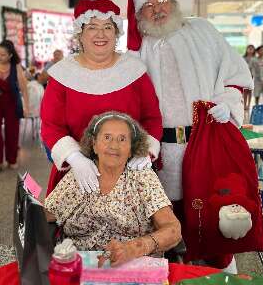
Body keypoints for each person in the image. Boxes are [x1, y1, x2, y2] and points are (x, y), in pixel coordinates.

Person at [127, 0, 254, 272]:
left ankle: (218, 273)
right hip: (163, 151)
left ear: (174, 3)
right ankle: (178, 272)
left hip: (206, 141)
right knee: (169, 219)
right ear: (138, 15)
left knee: (213, 216)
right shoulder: (138, 50)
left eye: (162, 1)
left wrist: (226, 101)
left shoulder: (203, 31)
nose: (157, 9)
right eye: (147, 5)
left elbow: (236, 72)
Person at [40, 0, 162, 196]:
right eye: (92, 27)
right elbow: (51, 126)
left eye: (107, 27)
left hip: (130, 171)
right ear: (80, 34)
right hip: (78, 173)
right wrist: (75, 158)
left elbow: (152, 118)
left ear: (116, 33)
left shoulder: (134, 71)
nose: (101, 34)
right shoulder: (62, 74)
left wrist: (145, 150)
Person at [45, 112, 181, 267]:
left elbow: (173, 230)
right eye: (107, 137)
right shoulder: (80, 174)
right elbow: (49, 213)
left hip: (132, 266)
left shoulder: (141, 177)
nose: (114, 145)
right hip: (80, 266)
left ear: (131, 149)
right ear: (94, 145)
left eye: (122, 139)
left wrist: (134, 248)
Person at [0, 40, 30, 174]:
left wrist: (26, 107)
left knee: (12, 132)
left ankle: (12, 159)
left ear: (10, 55)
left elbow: (24, 88)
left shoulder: (16, 66)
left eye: (3, 54)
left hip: (11, 103)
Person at [243, 44, 255, 110]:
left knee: (250, 91)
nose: (250, 50)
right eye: (249, 49)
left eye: (252, 49)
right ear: (247, 50)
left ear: (254, 50)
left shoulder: (255, 58)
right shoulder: (243, 58)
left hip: (253, 76)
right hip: (245, 76)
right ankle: (244, 105)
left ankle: (248, 105)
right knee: (245, 91)